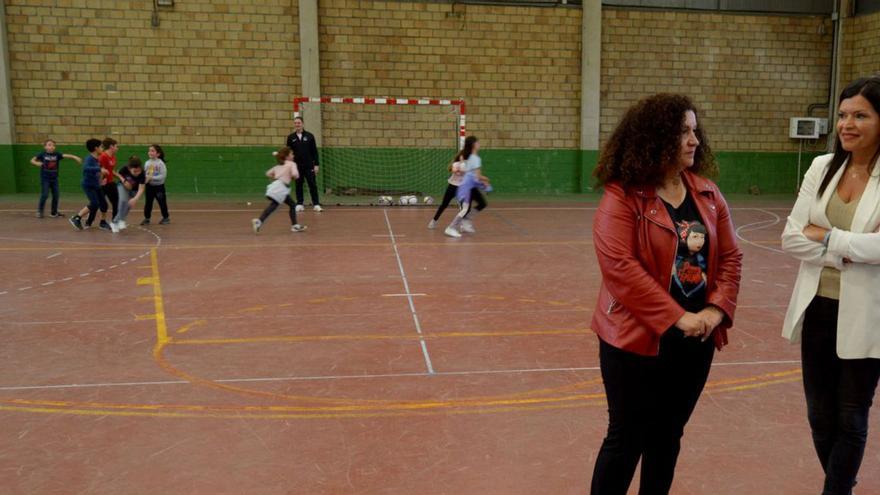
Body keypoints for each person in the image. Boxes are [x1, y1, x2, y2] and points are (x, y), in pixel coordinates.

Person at [589, 93, 742, 495]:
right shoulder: (621, 196)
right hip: (634, 339)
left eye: (694, 131)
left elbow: (729, 257)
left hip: (695, 339)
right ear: (654, 138)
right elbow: (620, 270)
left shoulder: (708, 195)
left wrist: (714, 310)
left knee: (667, 437)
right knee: (626, 440)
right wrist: (679, 317)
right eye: (682, 132)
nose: (694, 140)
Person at [781, 76, 880, 495]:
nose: (847, 124)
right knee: (819, 416)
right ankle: (841, 482)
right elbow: (790, 236)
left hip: (868, 313)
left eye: (860, 115)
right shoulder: (822, 166)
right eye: (842, 115)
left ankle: (835, 490)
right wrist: (849, 252)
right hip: (817, 305)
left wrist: (826, 237)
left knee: (851, 414)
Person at [252, 146, 306, 234]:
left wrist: (276, 177)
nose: (293, 155)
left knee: (288, 204)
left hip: (276, 186)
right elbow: (296, 174)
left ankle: (259, 221)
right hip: (282, 188)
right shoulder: (292, 164)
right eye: (292, 154)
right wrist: (293, 176)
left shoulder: (278, 166)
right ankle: (294, 226)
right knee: (280, 205)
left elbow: (268, 173)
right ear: (287, 156)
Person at [444, 136, 489, 238]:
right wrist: (485, 181)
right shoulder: (475, 158)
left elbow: (470, 173)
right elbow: (476, 176)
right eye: (478, 143)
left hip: (468, 186)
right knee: (465, 209)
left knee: (477, 205)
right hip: (466, 187)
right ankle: (451, 227)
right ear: (473, 144)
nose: (479, 144)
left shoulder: (471, 157)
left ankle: (465, 221)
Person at [31, 139, 81, 218]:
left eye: (53, 145)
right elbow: (32, 160)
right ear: (45, 147)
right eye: (49, 145)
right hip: (45, 179)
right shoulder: (42, 154)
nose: (52, 146)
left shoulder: (57, 154)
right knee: (45, 194)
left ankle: (54, 212)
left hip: (54, 179)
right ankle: (40, 211)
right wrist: (37, 163)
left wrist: (74, 157)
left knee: (56, 195)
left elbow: (66, 155)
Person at [68, 139, 108, 231]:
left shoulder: (97, 158)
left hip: (96, 185)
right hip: (88, 185)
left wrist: (101, 180)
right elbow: (86, 168)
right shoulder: (89, 158)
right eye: (101, 146)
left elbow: (96, 172)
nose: (102, 148)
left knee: (104, 204)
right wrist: (99, 169)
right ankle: (77, 217)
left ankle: (102, 222)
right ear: (96, 148)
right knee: (94, 203)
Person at [285, 116, 322, 212]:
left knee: (312, 184)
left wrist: (316, 165)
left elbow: (314, 151)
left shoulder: (310, 136)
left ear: (302, 124)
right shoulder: (290, 137)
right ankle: (300, 203)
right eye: (295, 123)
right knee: (298, 185)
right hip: (297, 167)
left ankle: (316, 204)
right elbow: (288, 153)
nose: (297, 124)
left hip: (309, 166)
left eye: (299, 123)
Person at [427, 154, 466, 229]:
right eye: (463, 156)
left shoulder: (468, 165)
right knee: (444, 205)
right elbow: (454, 170)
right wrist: (460, 169)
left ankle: (462, 225)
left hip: (461, 188)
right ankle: (434, 221)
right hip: (452, 187)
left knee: (463, 207)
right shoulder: (455, 164)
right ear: (459, 157)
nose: (464, 157)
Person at [110, 156, 147, 233]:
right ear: (129, 169)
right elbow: (116, 174)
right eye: (134, 171)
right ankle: (118, 221)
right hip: (123, 186)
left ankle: (116, 221)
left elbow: (141, 188)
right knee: (123, 201)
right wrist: (124, 180)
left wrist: (135, 199)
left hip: (134, 189)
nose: (137, 173)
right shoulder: (124, 169)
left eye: (138, 171)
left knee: (128, 205)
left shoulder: (143, 173)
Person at [142, 144, 170, 225]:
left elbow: (163, 176)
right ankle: (147, 218)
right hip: (149, 187)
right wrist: (145, 178)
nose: (150, 152)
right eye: (149, 150)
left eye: (152, 151)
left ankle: (166, 217)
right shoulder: (147, 163)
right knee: (148, 203)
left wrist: (151, 178)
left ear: (158, 154)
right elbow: (145, 174)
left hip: (159, 187)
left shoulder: (160, 164)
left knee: (162, 202)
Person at [98, 137, 119, 228]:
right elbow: (100, 170)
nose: (117, 148)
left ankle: (115, 221)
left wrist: (121, 178)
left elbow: (111, 171)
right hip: (102, 184)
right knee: (98, 204)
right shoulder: (103, 156)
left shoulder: (113, 156)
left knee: (116, 201)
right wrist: (99, 182)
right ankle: (96, 221)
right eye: (116, 146)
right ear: (111, 146)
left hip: (111, 183)